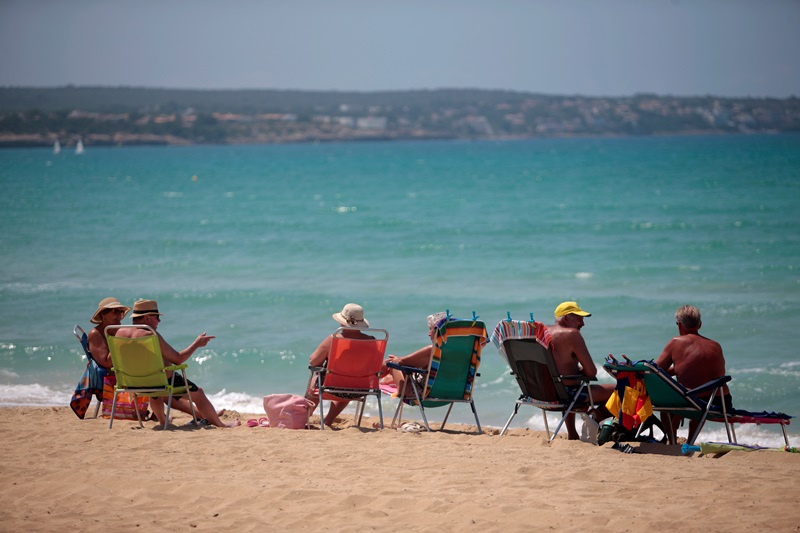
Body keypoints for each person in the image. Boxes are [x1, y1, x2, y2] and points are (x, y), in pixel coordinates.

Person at [115, 299, 240, 428]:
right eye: (157, 317)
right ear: (147, 318)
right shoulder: (149, 334)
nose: (159, 321)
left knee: (155, 392)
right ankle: (221, 424)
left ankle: (164, 422)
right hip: (158, 381)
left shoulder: (119, 332)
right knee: (199, 394)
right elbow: (177, 359)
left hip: (131, 383)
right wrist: (196, 344)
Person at [655, 305, 730, 445]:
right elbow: (718, 373)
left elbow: (656, 371)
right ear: (700, 324)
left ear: (679, 325)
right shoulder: (715, 345)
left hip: (690, 400)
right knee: (697, 392)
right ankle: (690, 441)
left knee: (669, 401)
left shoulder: (676, 342)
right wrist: (678, 369)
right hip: (720, 401)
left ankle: (672, 441)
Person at [546, 301, 614, 440]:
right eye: (579, 318)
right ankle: (600, 423)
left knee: (566, 384)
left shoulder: (543, 333)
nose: (582, 323)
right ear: (566, 317)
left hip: (544, 393)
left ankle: (572, 433)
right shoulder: (572, 334)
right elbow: (591, 372)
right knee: (620, 389)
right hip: (566, 394)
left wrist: (573, 370)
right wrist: (581, 372)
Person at [306, 303, 375, 427]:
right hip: (360, 389)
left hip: (332, 386)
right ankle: (328, 420)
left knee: (316, 379)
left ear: (342, 322)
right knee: (350, 379)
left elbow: (313, 361)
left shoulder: (334, 339)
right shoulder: (372, 341)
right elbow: (374, 366)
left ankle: (305, 415)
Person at [382, 311, 447, 397]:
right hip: (452, 393)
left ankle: (395, 387)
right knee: (413, 368)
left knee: (394, 364)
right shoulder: (462, 352)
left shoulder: (433, 350)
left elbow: (401, 361)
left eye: (430, 329)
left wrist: (393, 361)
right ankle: (387, 379)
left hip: (425, 393)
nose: (429, 334)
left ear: (437, 330)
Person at [87, 297, 132, 370]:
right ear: (103, 314)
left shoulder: (116, 330)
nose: (119, 315)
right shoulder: (95, 334)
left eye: (121, 312)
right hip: (108, 376)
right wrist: (119, 340)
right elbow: (107, 363)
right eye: (115, 311)